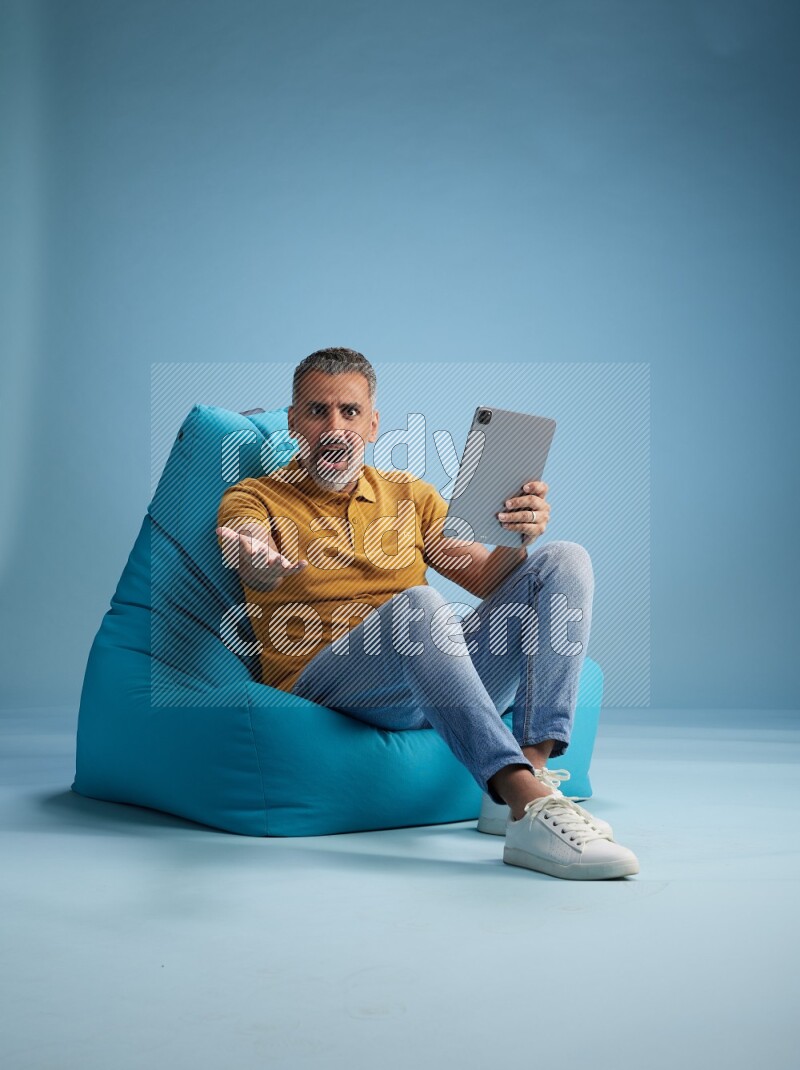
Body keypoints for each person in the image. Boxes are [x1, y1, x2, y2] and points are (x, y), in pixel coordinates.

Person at [216, 347, 639, 880]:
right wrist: (260, 563)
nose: (333, 427)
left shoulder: (409, 495)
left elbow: (486, 577)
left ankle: (529, 781)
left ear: (373, 424)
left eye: (349, 412)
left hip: (434, 672)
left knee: (563, 559)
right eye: (317, 411)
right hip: (333, 683)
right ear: (294, 420)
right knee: (419, 605)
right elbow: (249, 553)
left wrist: (519, 537)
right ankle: (525, 799)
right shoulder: (253, 496)